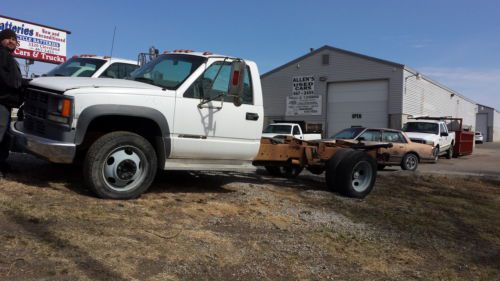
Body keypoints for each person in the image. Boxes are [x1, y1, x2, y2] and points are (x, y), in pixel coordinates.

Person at [0, 29, 24, 177]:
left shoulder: (8, 57)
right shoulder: (1, 55)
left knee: (5, 136)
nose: (11, 41)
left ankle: (2, 164)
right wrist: (22, 85)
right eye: (7, 38)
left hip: (6, 104)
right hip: (1, 102)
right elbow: (8, 81)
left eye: (14, 39)